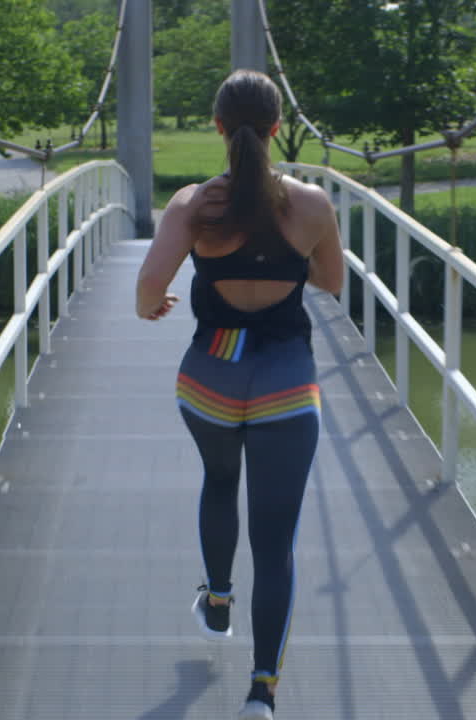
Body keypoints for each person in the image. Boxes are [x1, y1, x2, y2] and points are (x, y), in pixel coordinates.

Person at [135, 69, 344, 720]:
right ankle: (262, 694)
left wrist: (162, 301)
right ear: (279, 128)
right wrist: (282, 255)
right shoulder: (311, 205)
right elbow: (332, 282)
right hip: (288, 382)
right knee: (275, 542)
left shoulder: (194, 205)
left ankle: (218, 602)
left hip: (210, 380)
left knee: (220, 482)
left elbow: (147, 294)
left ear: (218, 127)